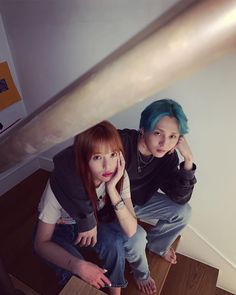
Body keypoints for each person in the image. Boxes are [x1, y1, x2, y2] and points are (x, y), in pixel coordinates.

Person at [50, 99, 196, 292]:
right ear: (143, 129)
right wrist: (87, 220)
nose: (164, 143)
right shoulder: (120, 142)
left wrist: (188, 161)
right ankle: (139, 273)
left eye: (172, 137)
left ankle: (157, 246)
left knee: (183, 212)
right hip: (109, 207)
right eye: (158, 133)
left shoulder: (168, 157)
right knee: (136, 238)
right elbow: (63, 161)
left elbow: (180, 197)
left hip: (138, 201)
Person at [34, 121, 155, 295]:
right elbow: (40, 243)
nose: (108, 166)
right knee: (75, 274)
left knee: (115, 243)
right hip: (59, 228)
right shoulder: (61, 186)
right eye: (97, 157)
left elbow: (130, 230)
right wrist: (77, 265)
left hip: (92, 222)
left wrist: (112, 190)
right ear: (84, 159)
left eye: (113, 154)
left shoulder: (118, 175)